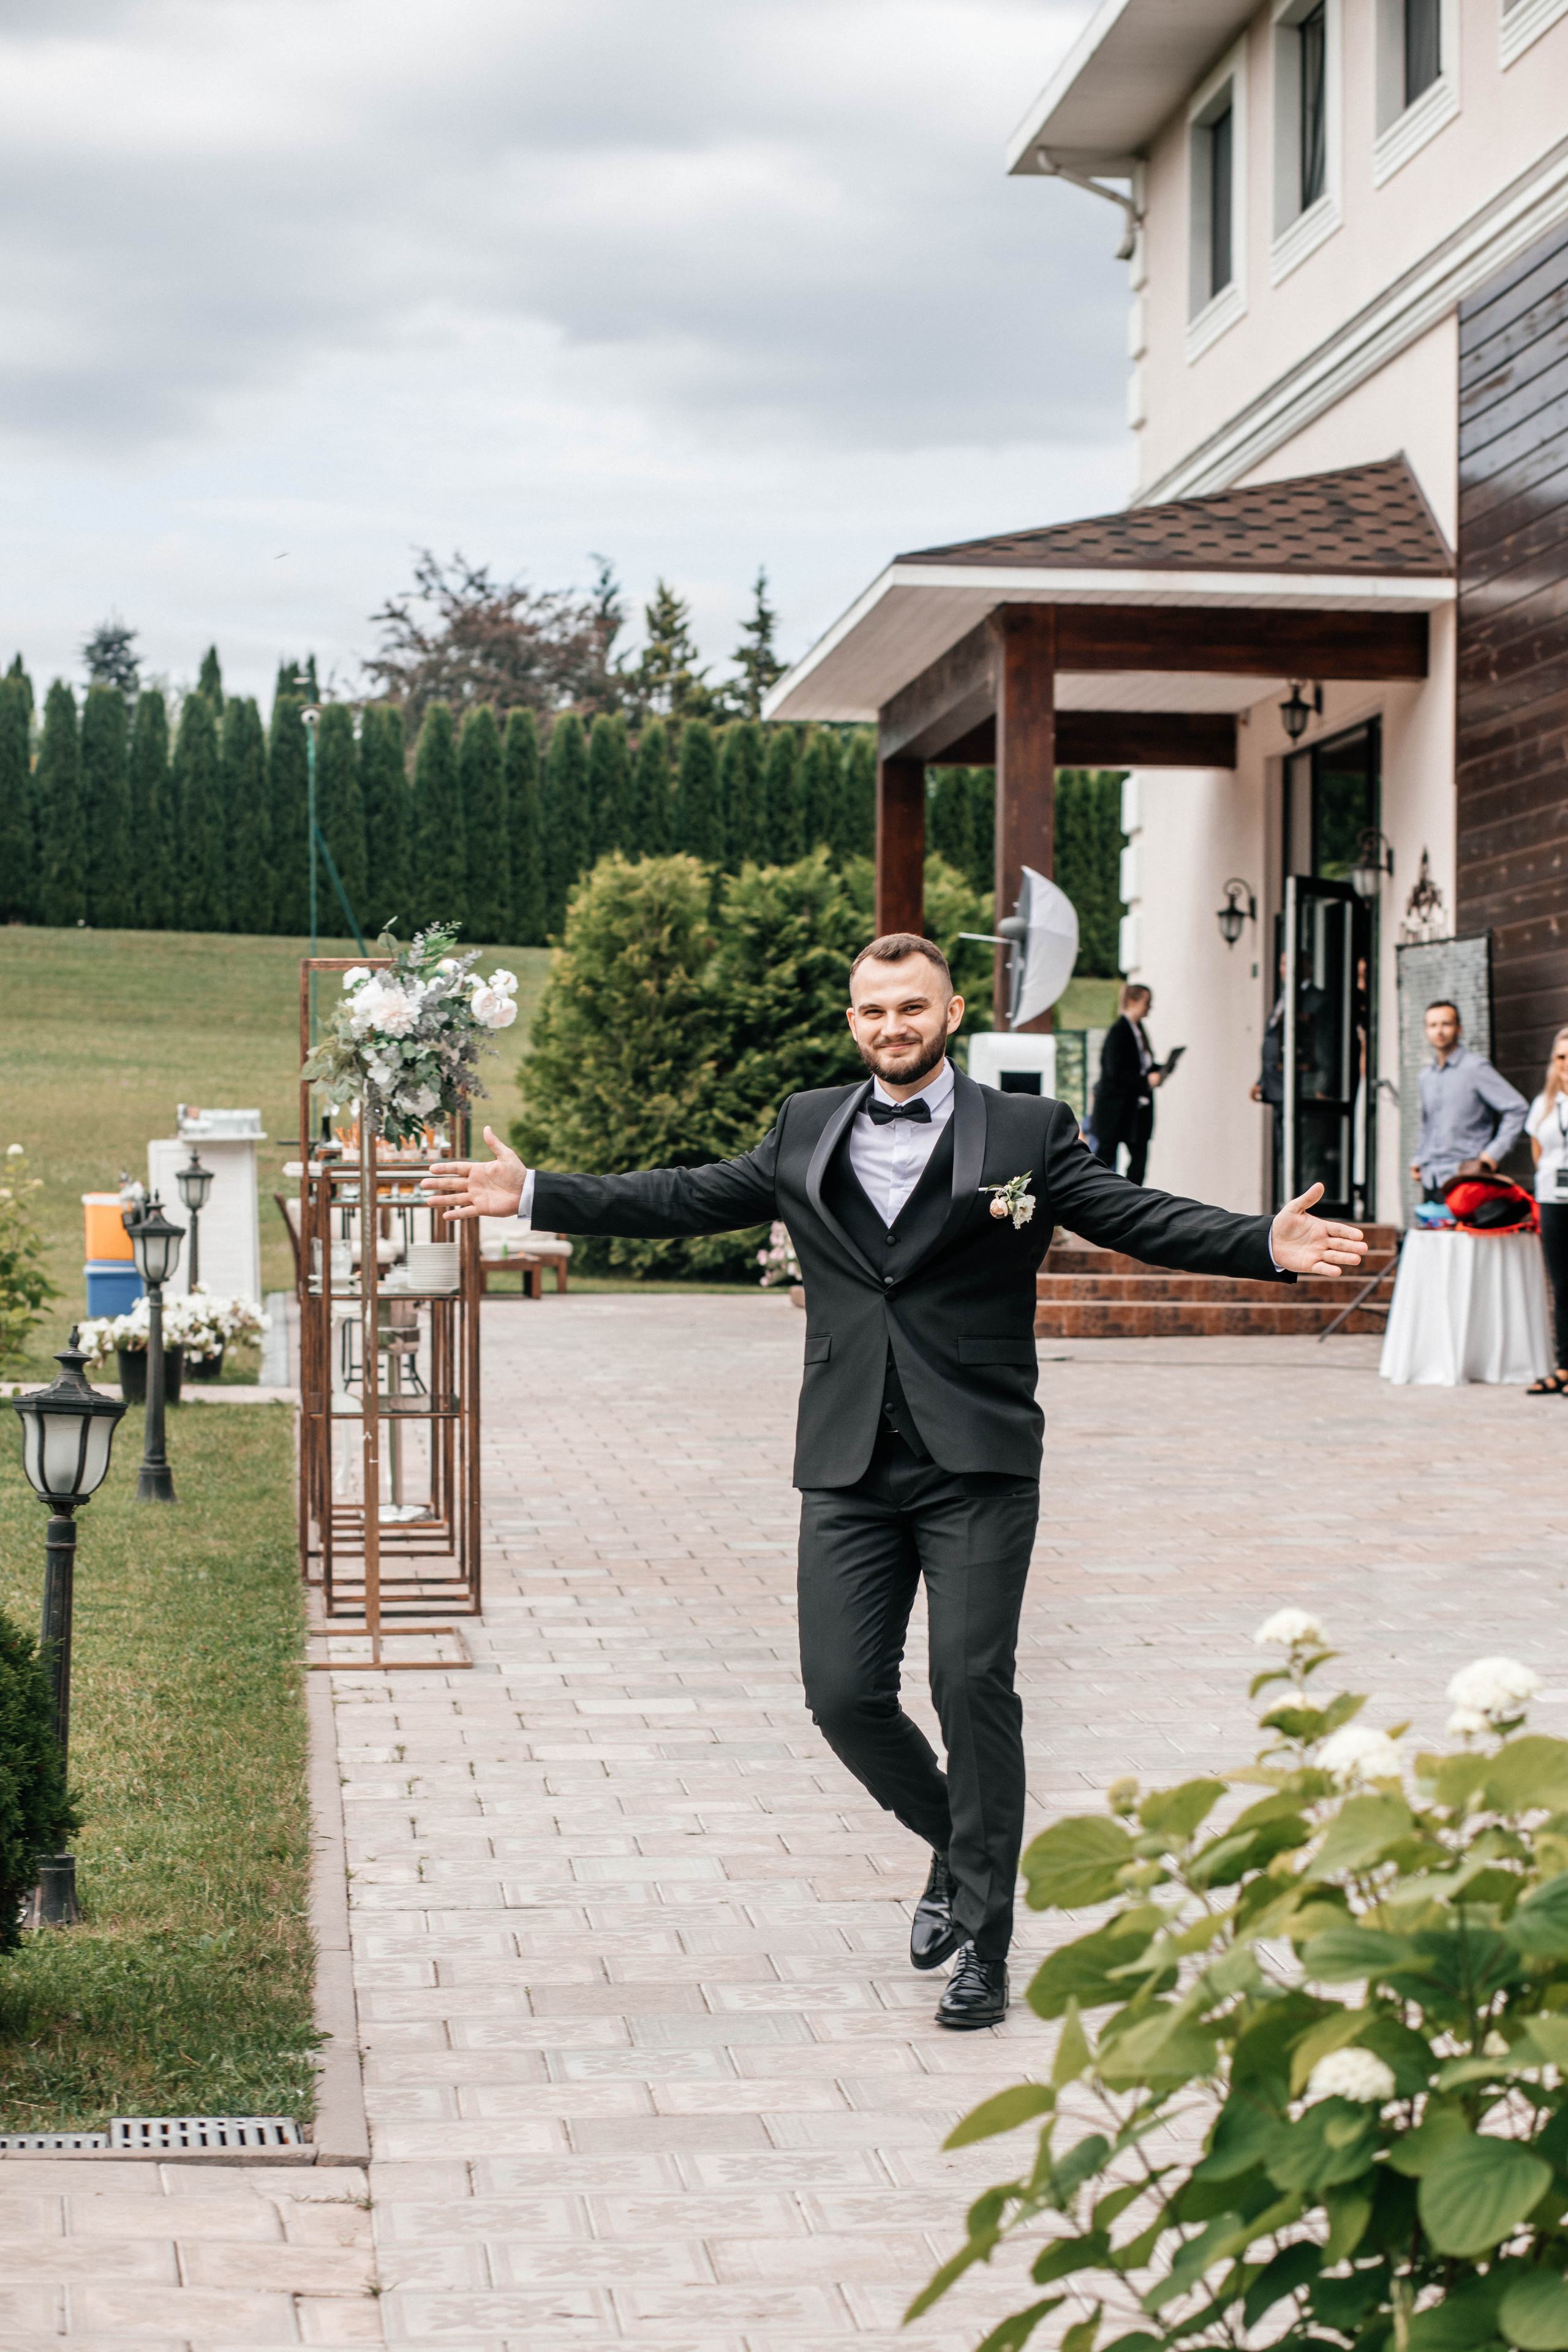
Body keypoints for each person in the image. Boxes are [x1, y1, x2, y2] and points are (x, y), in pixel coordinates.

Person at [426, 933, 1366, 2030]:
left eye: (911, 1008)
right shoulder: (804, 1123)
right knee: (842, 1697)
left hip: (977, 1459)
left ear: (952, 1012)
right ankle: (957, 1848)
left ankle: (987, 1945)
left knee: (972, 1691)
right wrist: (536, 1189)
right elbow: (687, 1196)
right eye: (873, 1012)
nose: (892, 1028)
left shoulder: (1026, 1133)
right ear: (852, 1022)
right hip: (849, 1460)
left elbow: (1131, 1214)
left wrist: (1262, 1242)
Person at [1411, 1001, 1528, 1200]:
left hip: (1466, 1178)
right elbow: (1428, 1123)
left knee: (1466, 1232)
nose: (1439, 1031)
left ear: (1459, 1029)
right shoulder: (1426, 1076)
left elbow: (1517, 1108)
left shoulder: (1476, 1068)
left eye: (1446, 1024)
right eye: (1433, 1025)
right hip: (1431, 1178)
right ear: (1426, 1030)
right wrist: (1419, 1158)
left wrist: (1492, 1155)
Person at [1525, 1024, 1568, 1396]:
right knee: (1562, 1287)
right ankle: (1564, 1367)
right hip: (1553, 1201)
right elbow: (1539, 1152)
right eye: (1561, 1057)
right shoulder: (1544, 1103)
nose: (1567, 1063)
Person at [1091, 982, 1161, 1185]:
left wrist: (1159, 1069)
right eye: (1147, 1002)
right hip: (1116, 1112)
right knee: (1103, 1162)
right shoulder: (1119, 1031)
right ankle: (1096, 1201)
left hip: (1135, 1112)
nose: (1150, 1007)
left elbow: (1141, 1064)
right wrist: (1146, 1080)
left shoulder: (1139, 1030)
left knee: (1139, 1162)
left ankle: (1130, 1203)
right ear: (1132, 1002)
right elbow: (1115, 1072)